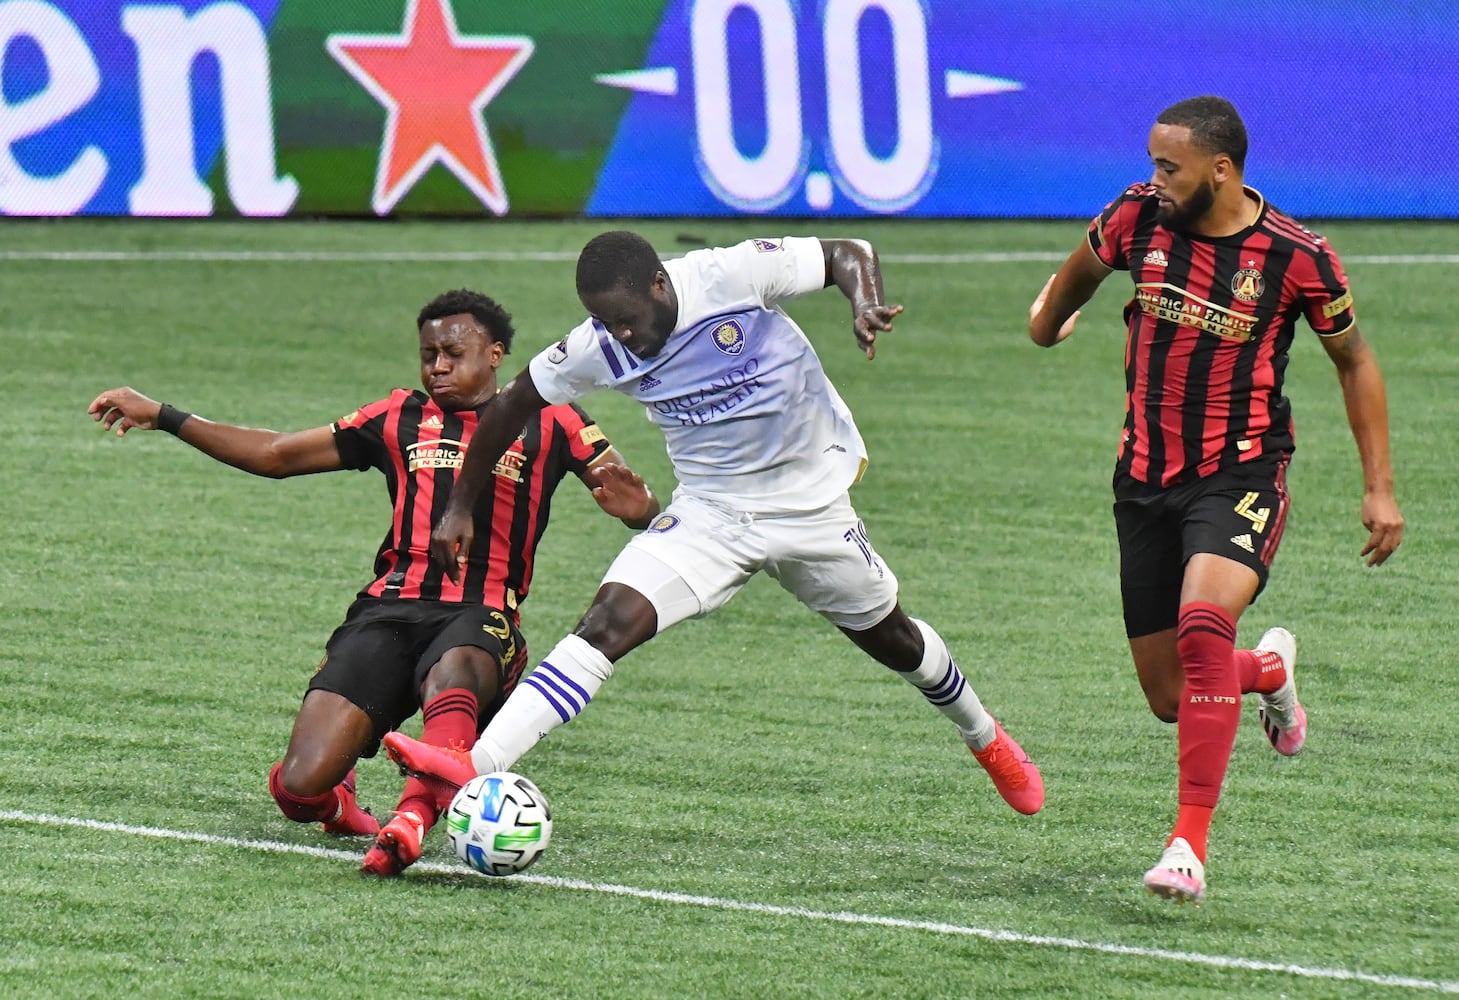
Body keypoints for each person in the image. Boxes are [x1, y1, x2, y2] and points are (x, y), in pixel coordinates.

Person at [383, 233, 1044, 819]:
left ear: (660, 285)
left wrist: (862, 301)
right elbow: (512, 405)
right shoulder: (594, 347)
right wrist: (459, 503)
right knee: (606, 624)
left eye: (629, 320)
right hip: (710, 513)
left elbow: (847, 253)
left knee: (895, 640)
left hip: (809, 505)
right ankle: (479, 763)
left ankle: (983, 736)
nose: (623, 337)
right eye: (606, 324)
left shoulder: (729, 275)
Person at [88, 289, 659, 876]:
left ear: (496, 354)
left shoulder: (554, 418)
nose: (437, 366)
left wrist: (638, 508)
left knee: (458, 667)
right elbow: (277, 454)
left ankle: (410, 818)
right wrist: (164, 415)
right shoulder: (397, 417)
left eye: (452, 353)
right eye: (427, 354)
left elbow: (640, 503)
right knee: (297, 789)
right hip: (388, 613)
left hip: (481, 619)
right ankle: (339, 802)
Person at [1027, 96, 1404, 903]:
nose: (1155, 181)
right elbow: (1075, 279)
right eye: (1154, 164)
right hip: (1142, 479)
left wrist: (1378, 488)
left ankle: (1185, 848)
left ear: (1220, 170)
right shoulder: (1134, 218)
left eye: (1171, 168)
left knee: (1203, 625)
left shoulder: (1296, 256)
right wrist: (1046, 322)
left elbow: (1355, 362)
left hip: (1240, 472)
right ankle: (1266, 670)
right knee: (1172, 695)